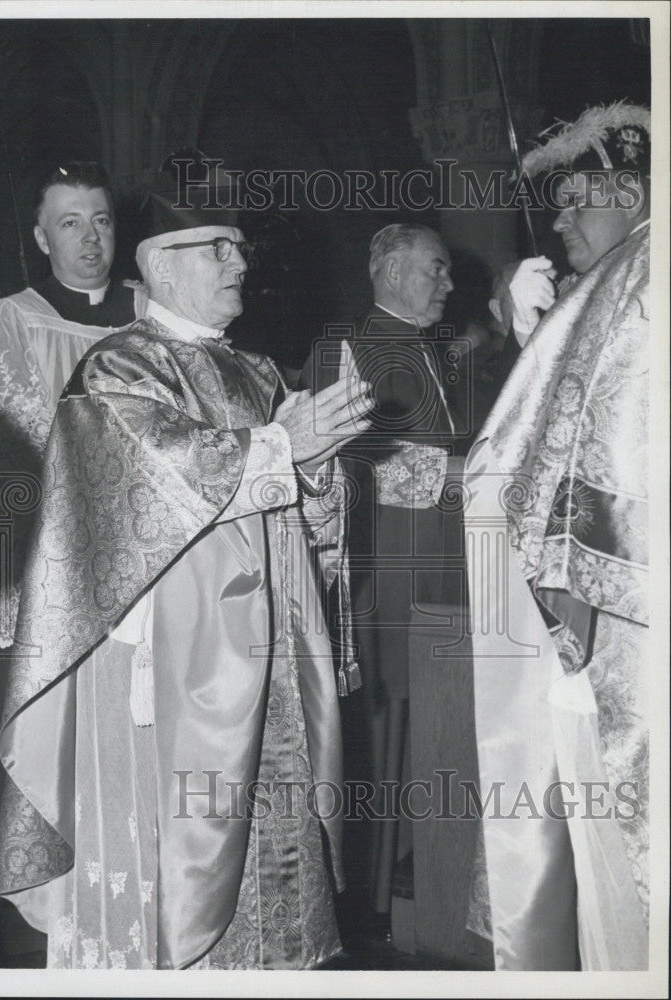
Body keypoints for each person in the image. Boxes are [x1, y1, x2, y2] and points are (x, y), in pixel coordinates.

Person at [0, 155, 374, 969]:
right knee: (184, 881)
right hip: (173, 673)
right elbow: (149, 481)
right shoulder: (120, 367)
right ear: (161, 263)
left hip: (265, 661)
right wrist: (277, 448)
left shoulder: (257, 370)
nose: (240, 263)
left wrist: (315, 467)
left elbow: (300, 528)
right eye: (218, 247)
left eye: (238, 246)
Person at [463, 102, 651, 970]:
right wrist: (536, 340)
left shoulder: (642, 278)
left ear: (636, 193)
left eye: (581, 198)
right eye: (558, 201)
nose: (562, 218)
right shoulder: (603, 291)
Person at [0, 161, 143, 964]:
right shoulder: (10, 323)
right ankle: (41, 904)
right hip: (51, 565)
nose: (90, 239)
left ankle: (133, 884)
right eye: (69, 222)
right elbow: (6, 447)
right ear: (40, 237)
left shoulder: (156, 312)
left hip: (153, 566)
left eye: (99, 219)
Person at [301, 223, 463, 943]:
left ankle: (432, 864)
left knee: (438, 706)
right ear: (394, 272)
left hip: (442, 558)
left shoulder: (430, 351)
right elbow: (344, 467)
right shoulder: (349, 349)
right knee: (395, 709)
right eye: (437, 269)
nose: (447, 283)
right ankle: (381, 880)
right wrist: (463, 473)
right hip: (386, 564)